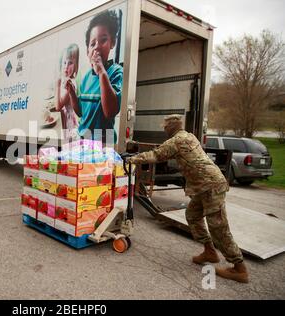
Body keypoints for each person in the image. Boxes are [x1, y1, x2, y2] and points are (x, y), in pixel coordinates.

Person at [127, 115, 249, 284]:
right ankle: (209, 251)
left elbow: (155, 155)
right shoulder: (189, 135)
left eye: (165, 126)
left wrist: (132, 159)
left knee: (218, 226)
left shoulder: (176, 140)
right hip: (203, 186)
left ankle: (239, 267)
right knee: (192, 215)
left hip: (210, 185)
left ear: (170, 127)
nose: (163, 129)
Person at [68, 9, 123, 144]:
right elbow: (81, 112)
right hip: (83, 142)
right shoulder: (86, 77)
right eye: (93, 44)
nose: (97, 47)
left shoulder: (116, 72)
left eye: (103, 40)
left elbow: (110, 112)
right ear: (88, 51)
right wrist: (71, 93)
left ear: (113, 43)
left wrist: (102, 72)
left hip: (104, 144)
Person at [55, 44, 80, 142]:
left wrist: (57, 85)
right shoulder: (68, 81)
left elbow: (58, 107)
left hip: (70, 127)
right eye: (64, 62)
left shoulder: (70, 83)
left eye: (70, 63)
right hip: (68, 125)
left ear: (75, 66)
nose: (66, 66)